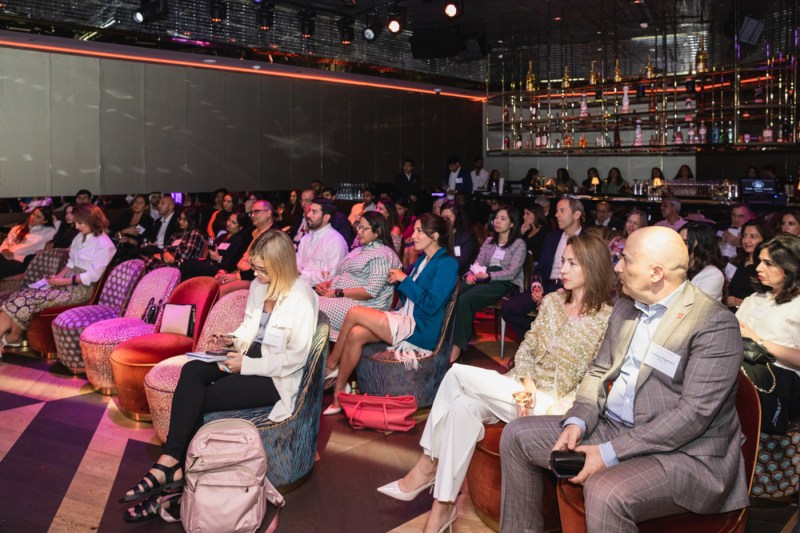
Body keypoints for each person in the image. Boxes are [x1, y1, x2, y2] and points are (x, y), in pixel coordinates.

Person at [499, 226, 749, 532]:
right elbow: (597, 371)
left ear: (656, 273)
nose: (617, 267)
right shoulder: (626, 307)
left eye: (626, 260)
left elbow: (692, 416)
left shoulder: (713, 323)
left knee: (606, 491)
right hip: (614, 428)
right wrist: (577, 421)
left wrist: (608, 453)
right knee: (517, 436)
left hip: (685, 454)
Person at [377, 234, 614, 533]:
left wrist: (547, 399)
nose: (562, 269)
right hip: (522, 390)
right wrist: (526, 383)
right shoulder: (553, 302)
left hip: (557, 405)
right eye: (563, 261)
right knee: (462, 406)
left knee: (457, 374)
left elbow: (597, 375)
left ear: (592, 268)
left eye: (571, 263)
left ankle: (427, 465)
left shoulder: (606, 319)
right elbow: (526, 348)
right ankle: (443, 508)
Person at [119, 231, 318, 522]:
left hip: (275, 377)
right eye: (256, 267)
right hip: (249, 357)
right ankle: (173, 462)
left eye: (263, 269)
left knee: (199, 400)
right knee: (192, 370)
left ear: (282, 265)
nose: (257, 274)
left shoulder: (302, 297)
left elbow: (296, 360)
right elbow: (250, 329)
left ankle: (172, 485)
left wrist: (245, 366)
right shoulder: (259, 288)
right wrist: (232, 340)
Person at [322, 214, 458, 415]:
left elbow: (431, 305)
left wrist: (404, 280)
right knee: (355, 334)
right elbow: (409, 296)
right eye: (415, 230)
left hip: (420, 329)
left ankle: (331, 365)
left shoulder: (446, 264)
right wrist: (398, 281)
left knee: (354, 312)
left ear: (435, 236)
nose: (414, 235)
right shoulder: (423, 261)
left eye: (420, 231)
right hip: (405, 318)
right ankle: (339, 393)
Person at [0, 205, 116, 349]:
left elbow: (94, 275)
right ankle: (13, 338)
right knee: (20, 294)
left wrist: (64, 281)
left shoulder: (105, 244)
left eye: (80, 223)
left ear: (92, 220)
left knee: (27, 299)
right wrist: (54, 280)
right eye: (76, 223)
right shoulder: (80, 237)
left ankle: (13, 337)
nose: (77, 226)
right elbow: (70, 264)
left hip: (81, 289)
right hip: (66, 282)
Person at [738, 234, 800, 434]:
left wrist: (757, 341)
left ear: (790, 267)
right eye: (759, 261)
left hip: (782, 385)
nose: (758, 268)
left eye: (768, 263)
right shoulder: (754, 298)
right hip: (742, 374)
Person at [450, 205, 526, 363]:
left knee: (466, 299)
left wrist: (488, 275)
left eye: (503, 218)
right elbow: (479, 262)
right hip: (483, 276)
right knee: (453, 292)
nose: (497, 221)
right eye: (496, 217)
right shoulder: (490, 241)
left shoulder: (518, 244)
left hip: (505, 282)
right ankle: (446, 337)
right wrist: (472, 275)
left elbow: (511, 272)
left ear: (512, 223)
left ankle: (458, 346)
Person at [501, 197, 583, 340]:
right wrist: (536, 286)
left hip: (573, 290)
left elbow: (590, 274)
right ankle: (535, 342)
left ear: (576, 215)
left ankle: (540, 348)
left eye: (562, 211)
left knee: (552, 313)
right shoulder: (553, 237)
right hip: (548, 285)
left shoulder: (587, 240)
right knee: (509, 309)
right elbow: (541, 268)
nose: (556, 214)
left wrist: (560, 293)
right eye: (556, 211)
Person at [315, 212, 402, 341]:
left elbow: (371, 291)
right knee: (306, 302)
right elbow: (347, 274)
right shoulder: (361, 249)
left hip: (366, 306)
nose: (359, 231)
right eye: (358, 227)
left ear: (377, 231)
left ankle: (316, 356)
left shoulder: (382, 254)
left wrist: (337, 292)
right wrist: (329, 283)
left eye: (363, 228)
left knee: (313, 309)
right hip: (344, 298)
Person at [217, 200, 277, 286]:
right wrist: (225, 270)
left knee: (220, 290)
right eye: (251, 213)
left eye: (256, 212)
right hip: (237, 272)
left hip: (255, 279)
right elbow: (237, 255)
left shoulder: (273, 236)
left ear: (268, 213)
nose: (252, 215)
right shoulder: (250, 232)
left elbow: (263, 268)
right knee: (212, 283)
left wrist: (237, 276)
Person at [180, 212, 251, 280]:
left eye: (233, 222)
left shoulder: (239, 241)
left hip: (220, 269)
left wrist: (218, 258)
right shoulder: (222, 237)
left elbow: (232, 263)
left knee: (189, 264)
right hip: (210, 263)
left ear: (240, 227)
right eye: (229, 220)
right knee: (188, 264)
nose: (228, 223)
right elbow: (211, 250)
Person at [296, 198, 348, 286]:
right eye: (309, 211)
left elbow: (330, 276)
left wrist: (302, 274)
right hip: (300, 286)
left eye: (314, 212)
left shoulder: (335, 241)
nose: (308, 215)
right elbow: (296, 266)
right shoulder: (306, 238)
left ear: (326, 217)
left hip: (322, 293)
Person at [725, 219, 775, 308]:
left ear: (765, 239)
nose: (746, 241)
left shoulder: (766, 266)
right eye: (744, 236)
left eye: (753, 237)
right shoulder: (737, 261)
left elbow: (769, 298)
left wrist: (740, 302)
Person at [0, 207, 56, 279]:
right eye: (33, 214)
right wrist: (5, 250)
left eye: (38, 217)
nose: (33, 218)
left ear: (44, 221)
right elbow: (6, 242)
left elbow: (57, 231)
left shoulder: (48, 232)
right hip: (6, 256)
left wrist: (54, 220)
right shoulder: (18, 228)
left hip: (22, 261)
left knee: (4, 267)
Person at [142, 208, 207, 271]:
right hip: (165, 259)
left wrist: (166, 256)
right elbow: (166, 248)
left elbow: (185, 256)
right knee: (142, 255)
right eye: (180, 219)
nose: (180, 222)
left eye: (184, 220)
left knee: (150, 262)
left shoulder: (195, 233)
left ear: (192, 221)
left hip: (178, 266)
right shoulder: (177, 233)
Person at [679, 222, 726, 301]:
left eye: (686, 242)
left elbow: (695, 306)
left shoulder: (713, 274)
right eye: (678, 241)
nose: (679, 245)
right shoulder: (677, 267)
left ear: (701, 245)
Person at [440, 200, 478, 276]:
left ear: (457, 218)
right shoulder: (440, 235)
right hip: (441, 271)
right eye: (442, 217)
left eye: (448, 217)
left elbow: (460, 264)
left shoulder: (466, 237)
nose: (444, 220)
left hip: (460, 276)